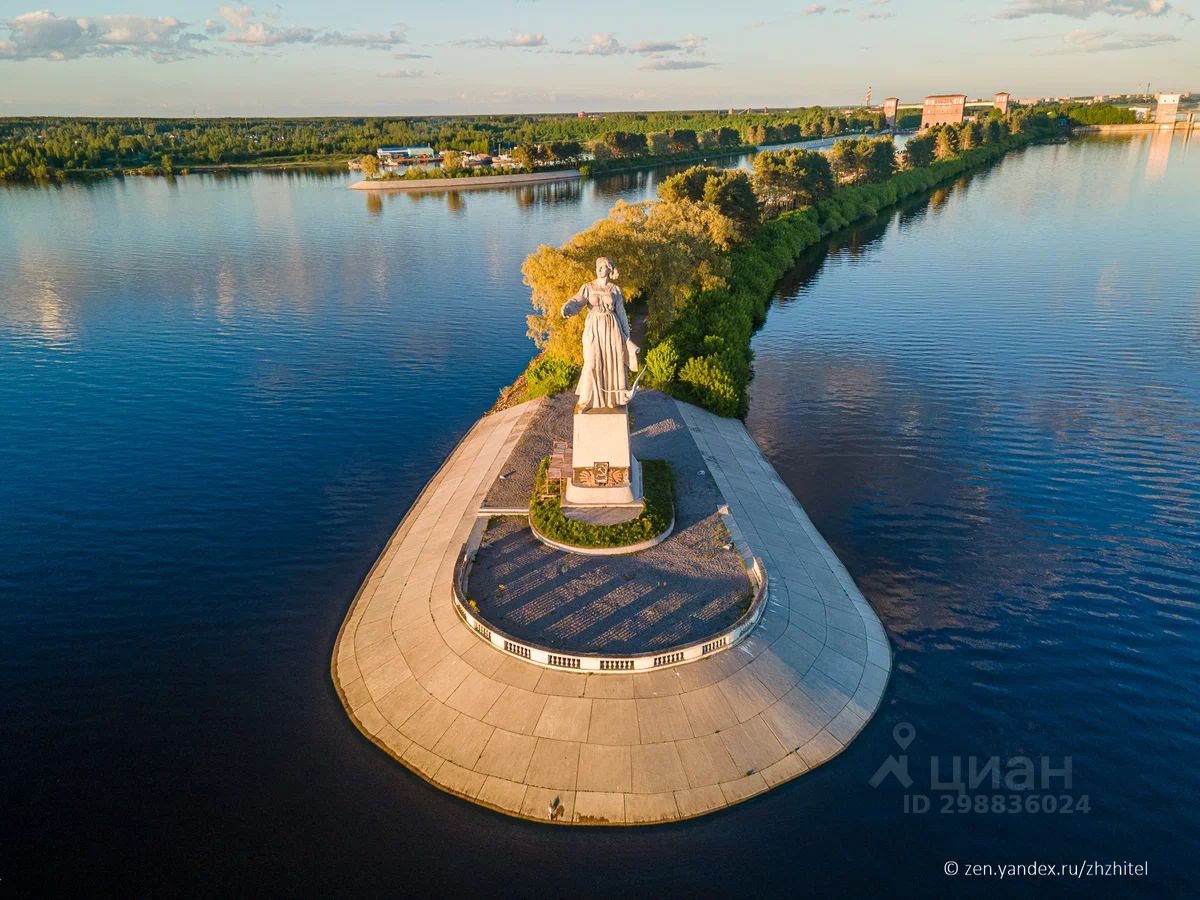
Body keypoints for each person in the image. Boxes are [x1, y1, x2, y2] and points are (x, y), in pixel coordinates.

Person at [560, 256, 639, 410]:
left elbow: (621, 312)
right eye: (598, 267)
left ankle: (613, 398)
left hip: (612, 328)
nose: (600, 270)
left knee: (613, 362)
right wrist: (567, 307)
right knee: (591, 362)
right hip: (593, 328)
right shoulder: (588, 287)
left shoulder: (615, 290)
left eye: (603, 267)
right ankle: (587, 399)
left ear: (610, 270)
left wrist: (626, 336)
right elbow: (577, 301)